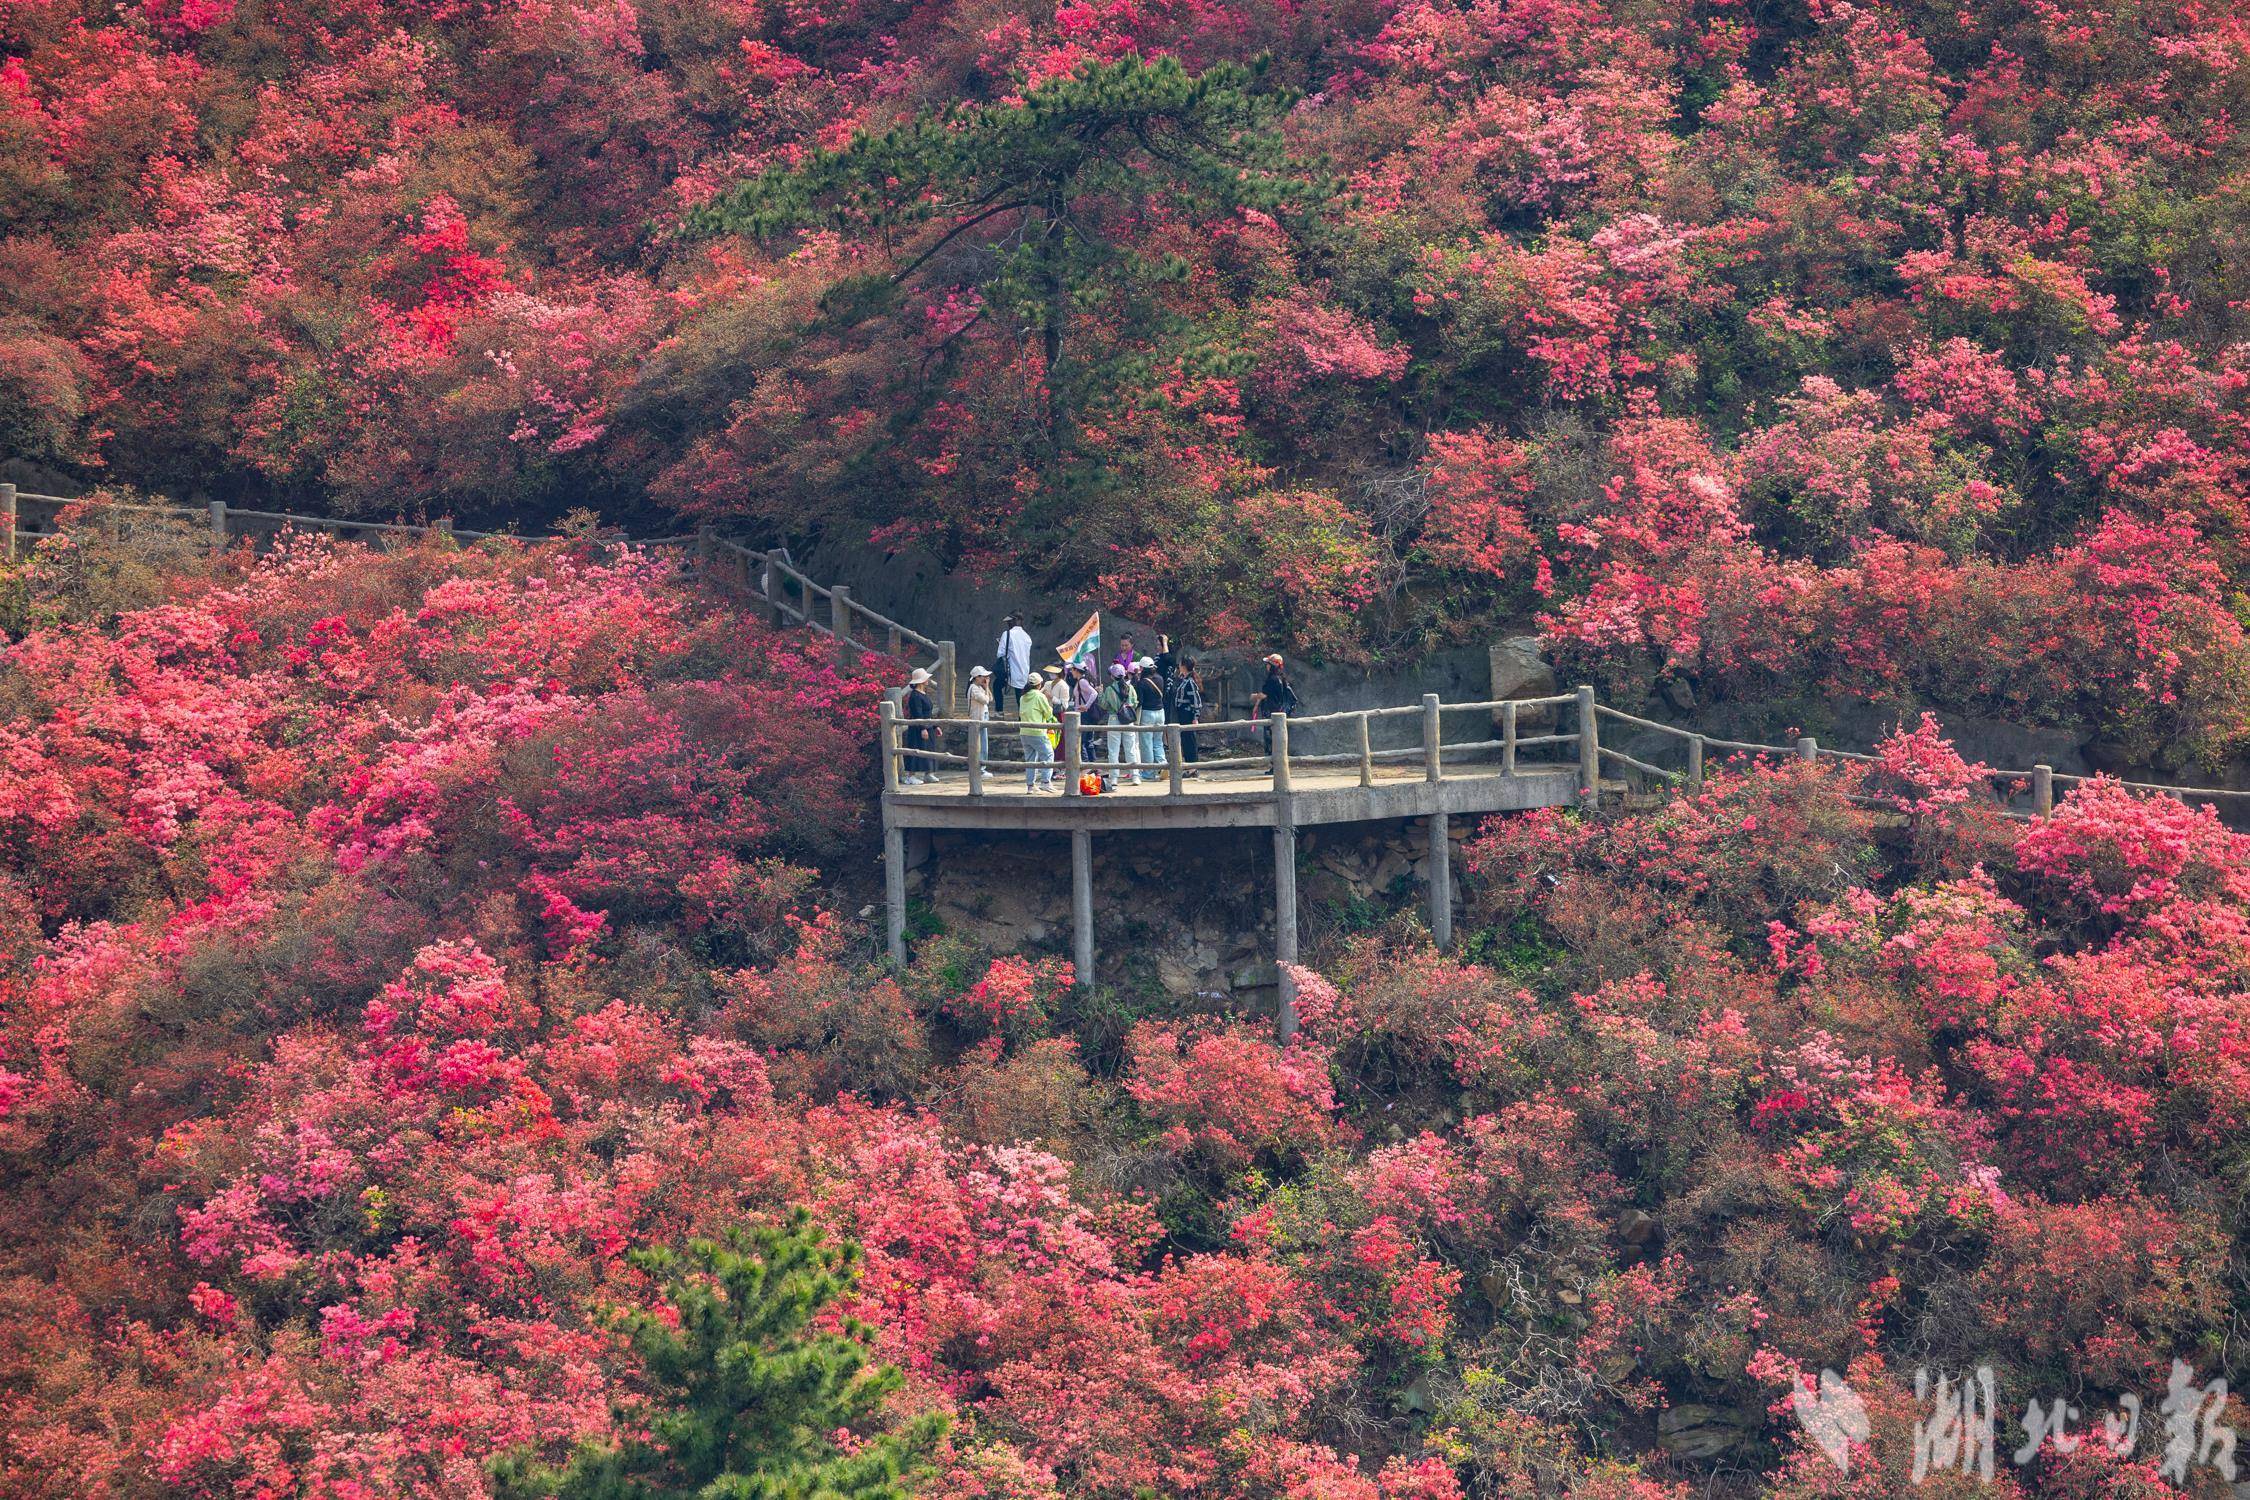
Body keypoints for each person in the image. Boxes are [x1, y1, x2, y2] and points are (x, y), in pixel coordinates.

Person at [1017, 671, 1060, 791]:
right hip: (1037, 731)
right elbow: (1048, 713)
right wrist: (1050, 708)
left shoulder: (1022, 697)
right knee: (1048, 755)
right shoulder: (1039, 696)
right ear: (1039, 684)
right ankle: (1045, 782)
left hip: (1024, 732)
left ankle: (1030, 786)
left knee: (1030, 760)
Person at [1099, 664, 1140, 785]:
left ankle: (1114, 778)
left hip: (1114, 719)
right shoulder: (1130, 688)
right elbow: (1135, 703)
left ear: (1112, 676)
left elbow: (1104, 705)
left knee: (1113, 750)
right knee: (1131, 748)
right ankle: (1135, 776)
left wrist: (1100, 693)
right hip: (1128, 720)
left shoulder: (1109, 689)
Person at [1253, 652, 1299, 756]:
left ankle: (1275, 765)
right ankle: (1275, 765)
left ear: (1273, 666)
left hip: (1272, 713)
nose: (1267, 666)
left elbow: (1264, 695)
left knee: (1271, 740)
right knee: (1278, 739)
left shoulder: (1272, 679)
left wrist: (1254, 697)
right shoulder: (1281, 679)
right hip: (1279, 712)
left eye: (1269, 664)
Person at [1168, 655, 1204, 777]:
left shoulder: (1190, 682)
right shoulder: (1184, 680)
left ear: (1183, 666)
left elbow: (1196, 701)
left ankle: (1193, 768)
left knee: (1190, 741)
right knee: (1185, 740)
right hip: (1182, 714)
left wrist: (1195, 716)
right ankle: (1189, 766)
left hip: (1188, 714)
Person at [902, 668, 937, 784]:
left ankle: (929, 773)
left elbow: (929, 712)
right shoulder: (915, 695)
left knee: (929, 749)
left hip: (929, 725)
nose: (928, 680)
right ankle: (911, 776)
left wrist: (935, 726)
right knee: (916, 748)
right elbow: (918, 713)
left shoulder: (924, 694)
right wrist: (923, 728)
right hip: (918, 727)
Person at [1134, 657, 1166, 774]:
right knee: (1158, 741)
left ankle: (1149, 773)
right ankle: (1163, 765)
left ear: (1142, 668)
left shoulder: (1142, 683)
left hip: (1147, 713)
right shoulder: (1160, 678)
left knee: (1146, 743)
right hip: (1160, 712)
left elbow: (1140, 701)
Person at [996, 613, 1032, 714]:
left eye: (1009, 621)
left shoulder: (1007, 634)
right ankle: (1023, 720)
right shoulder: (1027, 637)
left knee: (996, 685)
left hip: (1010, 670)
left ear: (1015, 621)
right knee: (1020, 698)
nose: (1008, 624)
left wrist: (1000, 644)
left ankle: (999, 711)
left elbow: (1000, 653)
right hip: (1024, 671)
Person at [1069, 662, 1101, 765]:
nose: (1071, 672)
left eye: (1072, 669)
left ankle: (1086, 765)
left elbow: (1094, 693)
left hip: (1083, 714)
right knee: (1088, 741)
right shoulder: (1085, 680)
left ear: (1077, 671)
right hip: (1086, 714)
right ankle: (1092, 764)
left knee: (1082, 741)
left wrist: (1086, 706)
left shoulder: (1082, 682)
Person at [966, 664, 994, 761]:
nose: (985, 678)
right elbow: (985, 700)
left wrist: (987, 687)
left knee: (983, 742)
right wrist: (986, 688)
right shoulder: (974, 688)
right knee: (981, 743)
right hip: (978, 718)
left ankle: (982, 766)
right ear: (977, 677)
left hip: (983, 716)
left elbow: (990, 698)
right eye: (983, 676)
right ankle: (981, 767)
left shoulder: (979, 687)